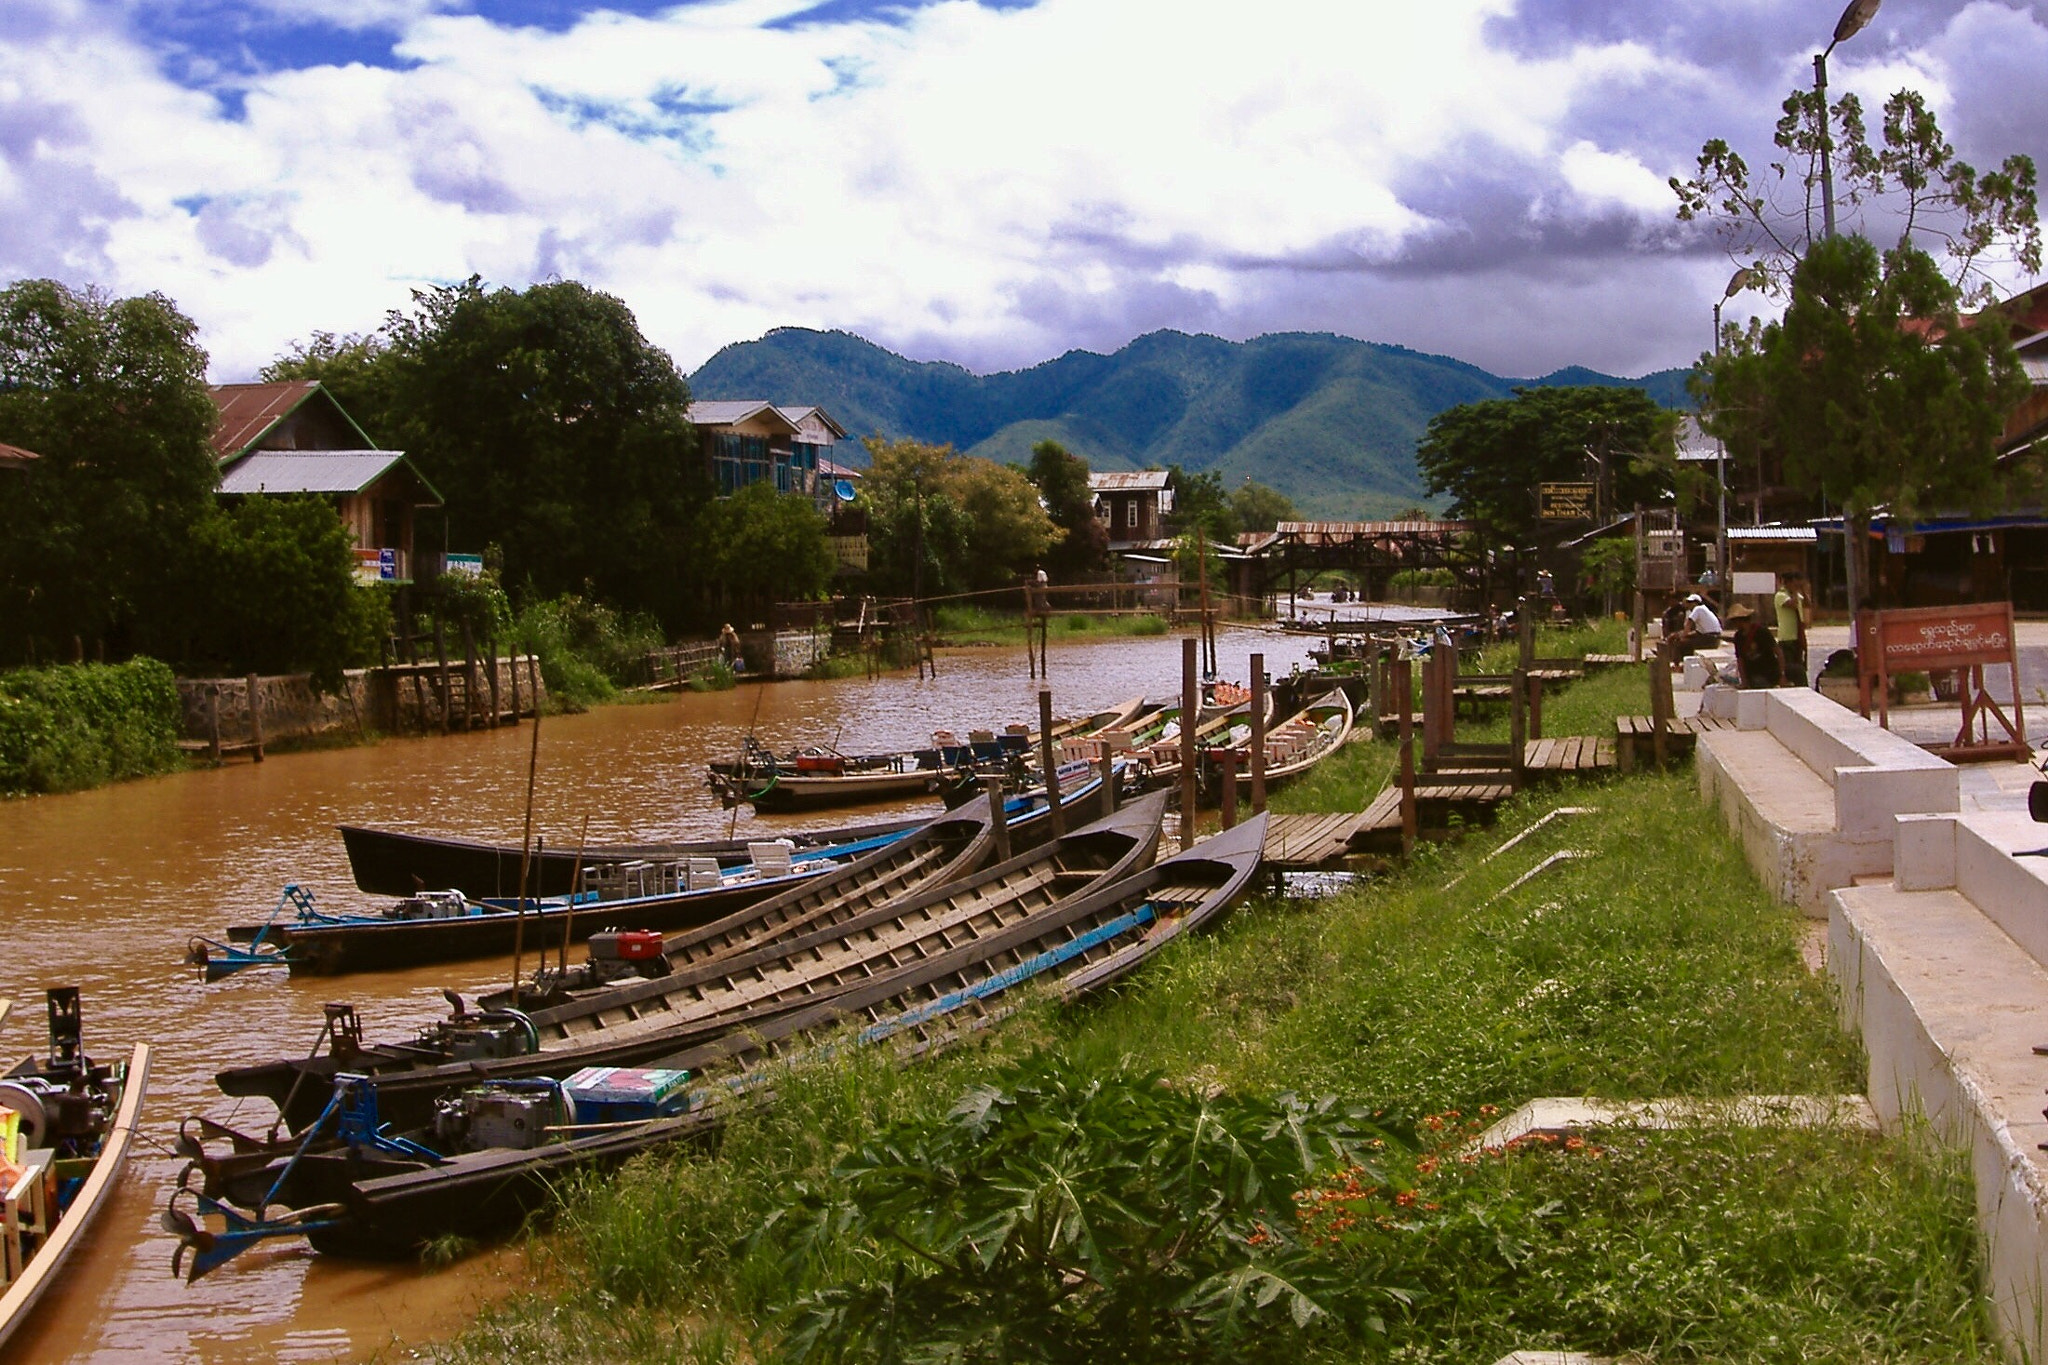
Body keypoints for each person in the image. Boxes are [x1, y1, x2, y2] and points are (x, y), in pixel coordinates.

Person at [1727, 604, 1781, 689]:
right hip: (1753, 674)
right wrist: (1744, 682)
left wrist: (1782, 674)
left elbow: (1778, 652)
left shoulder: (1762, 632)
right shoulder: (1738, 636)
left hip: (1770, 671)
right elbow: (1740, 660)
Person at [1774, 572, 1810, 686]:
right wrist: (1794, 591)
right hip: (1786, 637)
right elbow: (1793, 604)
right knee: (1789, 666)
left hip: (1797, 636)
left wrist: (1803, 590)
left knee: (1799, 665)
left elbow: (1807, 603)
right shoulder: (1781, 596)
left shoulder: (1796, 595)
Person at [1669, 592, 1722, 659]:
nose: (1688, 604)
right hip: (1714, 639)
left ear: (1696, 603)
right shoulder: (1704, 610)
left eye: (1690, 602)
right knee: (1686, 640)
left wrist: (1680, 636)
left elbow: (1688, 624)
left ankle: (1678, 665)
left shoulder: (1698, 609)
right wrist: (1681, 634)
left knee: (1680, 643)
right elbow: (1698, 632)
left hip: (1709, 639)